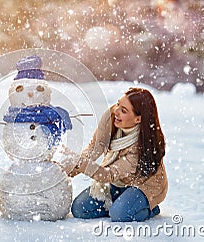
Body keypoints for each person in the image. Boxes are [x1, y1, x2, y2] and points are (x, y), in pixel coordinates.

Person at [62, 87, 167, 222]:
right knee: (80, 209)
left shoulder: (139, 148)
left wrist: (79, 162)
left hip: (143, 185)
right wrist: (65, 170)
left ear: (138, 119)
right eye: (118, 104)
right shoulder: (111, 117)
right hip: (118, 182)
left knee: (120, 215)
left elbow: (108, 174)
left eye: (124, 111)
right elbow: (95, 148)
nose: (116, 111)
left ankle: (149, 208)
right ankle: (121, 203)